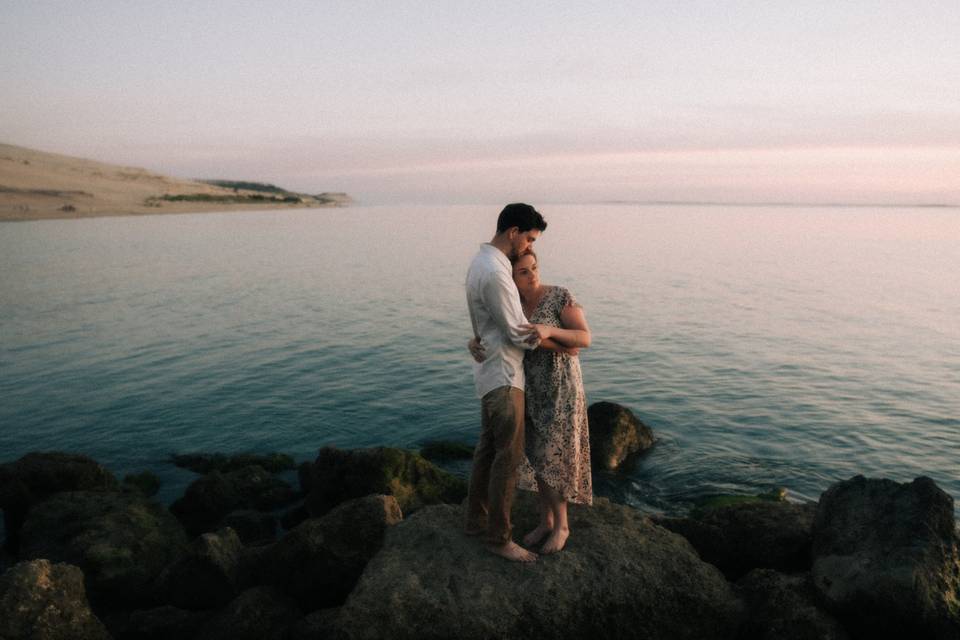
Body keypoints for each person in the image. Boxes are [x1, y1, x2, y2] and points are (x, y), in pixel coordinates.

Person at [470, 249, 592, 554]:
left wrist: (548, 331)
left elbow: (583, 339)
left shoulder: (558, 295)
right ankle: (545, 520)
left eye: (534, 267)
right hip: (530, 385)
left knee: (553, 454)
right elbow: (500, 333)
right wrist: (474, 342)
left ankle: (562, 526)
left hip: (561, 386)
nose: (533, 274)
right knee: (538, 455)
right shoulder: (513, 306)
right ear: (511, 278)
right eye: (523, 271)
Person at [464, 203, 548, 562]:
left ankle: (475, 522)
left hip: (489, 373)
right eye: (528, 238)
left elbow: (484, 323)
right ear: (512, 232)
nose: (529, 247)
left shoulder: (480, 263)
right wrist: (553, 335)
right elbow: (518, 333)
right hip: (504, 375)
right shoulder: (497, 274)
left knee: (486, 452)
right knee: (507, 458)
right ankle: (499, 539)